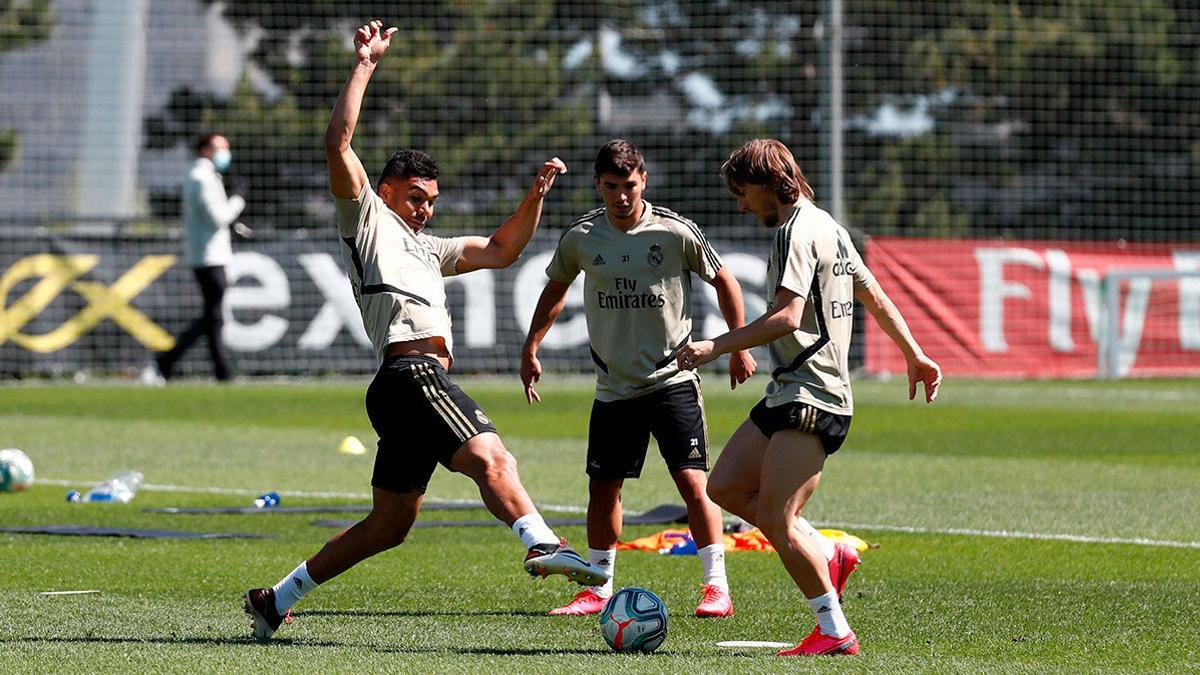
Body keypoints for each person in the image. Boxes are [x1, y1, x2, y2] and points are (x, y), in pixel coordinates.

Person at [242, 20, 607, 641]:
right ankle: (541, 542)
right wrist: (366, 65)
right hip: (411, 373)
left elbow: (500, 250)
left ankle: (276, 598)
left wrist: (537, 195)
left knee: (389, 526)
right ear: (384, 191)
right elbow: (337, 143)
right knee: (493, 454)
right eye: (416, 197)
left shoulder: (429, 247)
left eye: (432, 198)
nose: (426, 208)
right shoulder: (366, 219)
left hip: (405, 386)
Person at [676, 139, 942, 657]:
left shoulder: (796, 231)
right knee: (726, 488)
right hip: (789, 391)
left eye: (742, 192)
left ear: (766, 183)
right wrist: (915, 354)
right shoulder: (830, 226)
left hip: (814, 394)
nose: (740, 204)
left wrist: (714, 346)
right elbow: (874, 294)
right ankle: (825, 550)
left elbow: (786, 318)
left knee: (775, 516)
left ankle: (834, 629)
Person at [521, 139, 757, 618]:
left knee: (694, 484)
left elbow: (726, 281)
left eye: (629, 185)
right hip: (614, 388)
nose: (621, 196)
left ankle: (717, 586)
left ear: (643, 180)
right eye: (611, 187)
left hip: (672, 378)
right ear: (598, 185)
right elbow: (555, 290)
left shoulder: (674, 232)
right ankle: (599, 587)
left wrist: (739, 345)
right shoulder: (582, 237)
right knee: (603, 488)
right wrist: (531, 346)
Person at [144, 132, 249, 383]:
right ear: (205, 150)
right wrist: (238, 199)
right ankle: (166, 361)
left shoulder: (207, 176)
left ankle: (216, 372)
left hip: (211, 255)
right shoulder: (201, 178)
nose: (225, 153)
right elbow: (219, 217)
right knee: (213, 316)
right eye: (219, 147)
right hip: (209, 257)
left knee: (213, 317)